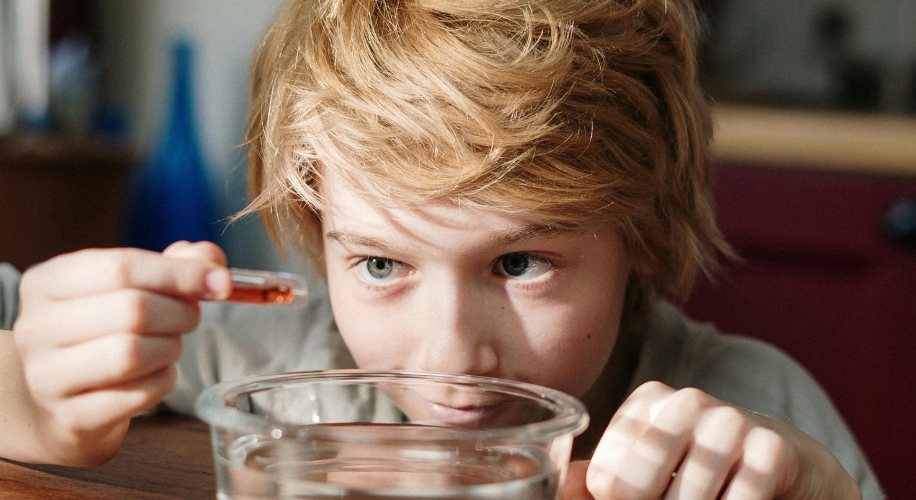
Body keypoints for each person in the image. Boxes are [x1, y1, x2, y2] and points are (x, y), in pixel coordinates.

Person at [0, 0, 883, 498]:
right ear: (316, 235)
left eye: (519, 263)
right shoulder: (274, 359)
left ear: (642, 234)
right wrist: (28, 394)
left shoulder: (758, 410)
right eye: (381, 265)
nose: (452, 360)